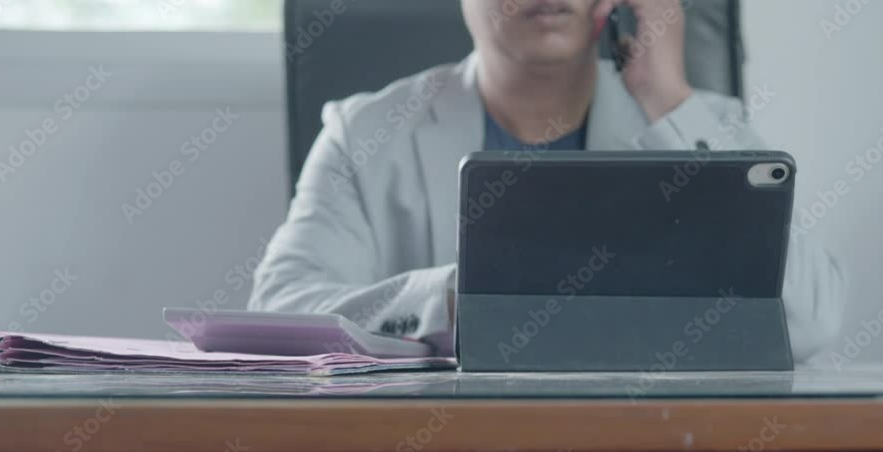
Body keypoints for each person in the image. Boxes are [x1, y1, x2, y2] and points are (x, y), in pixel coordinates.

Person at [249, 0, 846, 361]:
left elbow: (811, 321)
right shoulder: (365, 131)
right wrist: (451, 299)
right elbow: (277, 313)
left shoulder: (700, 125)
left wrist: (667, 99)